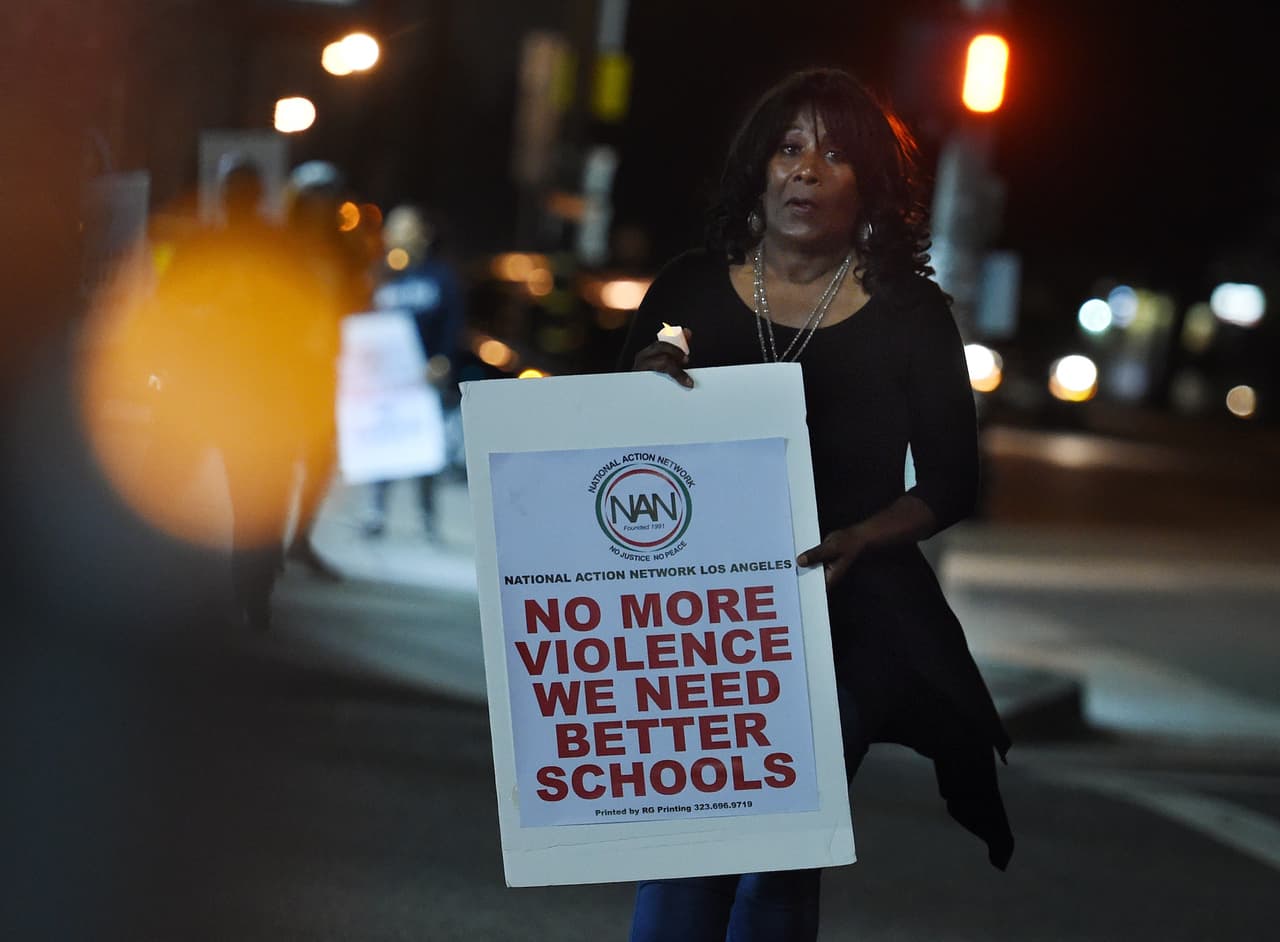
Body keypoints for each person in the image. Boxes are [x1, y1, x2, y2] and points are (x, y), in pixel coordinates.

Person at [618, 67, 1014, 940]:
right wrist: (638, 394)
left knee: (777, 846)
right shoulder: (686, 287)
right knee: (688, 839)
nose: (805, 171)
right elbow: (608, 458)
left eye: (834, 156)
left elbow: (953, 483)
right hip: (695, 618)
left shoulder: (913, 313)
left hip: (846, 615)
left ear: (868, 184)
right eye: (788, 149)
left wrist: (864, 538)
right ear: (757, 171)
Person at [362, 204, 465, 541]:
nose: (401, 235)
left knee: (424, 451)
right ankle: (375, 512)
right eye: (396, 228)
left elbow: (453, 324)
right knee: (382, 446)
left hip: (423, 378)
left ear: (423, 234)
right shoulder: (380, 275)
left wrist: (442, 360)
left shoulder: (440, 278)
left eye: (409, 228)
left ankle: (427, 518)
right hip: (385, 381)